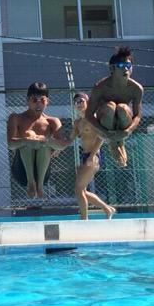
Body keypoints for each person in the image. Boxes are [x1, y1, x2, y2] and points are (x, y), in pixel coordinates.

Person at [83, 47, 144, 168]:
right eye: (121, 65)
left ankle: (120, 141)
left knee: (122, 108)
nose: (125, 69)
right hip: (105, 124)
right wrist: (104, 132)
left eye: (128, 65)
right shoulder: (100, 87)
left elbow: (137, 115)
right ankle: (113, 143)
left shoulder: (136, 89)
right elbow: (88, 115)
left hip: (123, 123)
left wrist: (128, 131)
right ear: (112, 68)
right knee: (110, 106)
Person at [62, 91, 116, 219]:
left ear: (87, 102)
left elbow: (101, 137)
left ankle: (84, 219)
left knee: (78, 189)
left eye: (81, 101)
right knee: (82, 191)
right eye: (76, 102)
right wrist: (58, 148)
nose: (78, 104)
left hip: (94, 156)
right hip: (85, 156)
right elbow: (69, 139)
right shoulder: (77, 123)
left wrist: (92, 156)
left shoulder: (93, 118)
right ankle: (107, 209)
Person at [7, 82, 65, 199]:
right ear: (27, 100)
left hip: (42, 173)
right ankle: (31, 182)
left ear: (47, 101)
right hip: (21, 171)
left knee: (43, 142)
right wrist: (26, 140)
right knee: (29, 135)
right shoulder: (16, 118)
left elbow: (62, 145)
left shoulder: (53, 121)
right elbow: (10, 144)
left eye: (42, 100)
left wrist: (47, 141)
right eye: (34, 100)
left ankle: (39, 186)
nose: (38, 104)